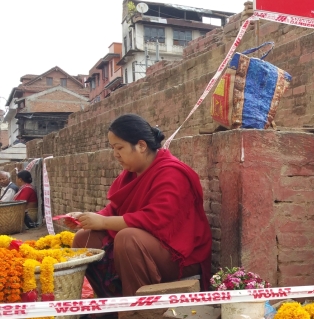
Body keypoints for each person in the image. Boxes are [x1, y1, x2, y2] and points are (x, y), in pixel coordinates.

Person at [69, 114, 212, 297]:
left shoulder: (171, 172)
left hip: (180, 255)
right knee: (83, 238)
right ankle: (113, 304)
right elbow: (114, 210)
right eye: (113, 148)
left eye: (120, 148)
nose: (115, 154)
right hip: (145, 246)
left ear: (142, 146)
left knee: (128, 238)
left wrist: (104, 222)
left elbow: (155, 219)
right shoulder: (130, 174)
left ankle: (140, 313)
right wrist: (86, 219)